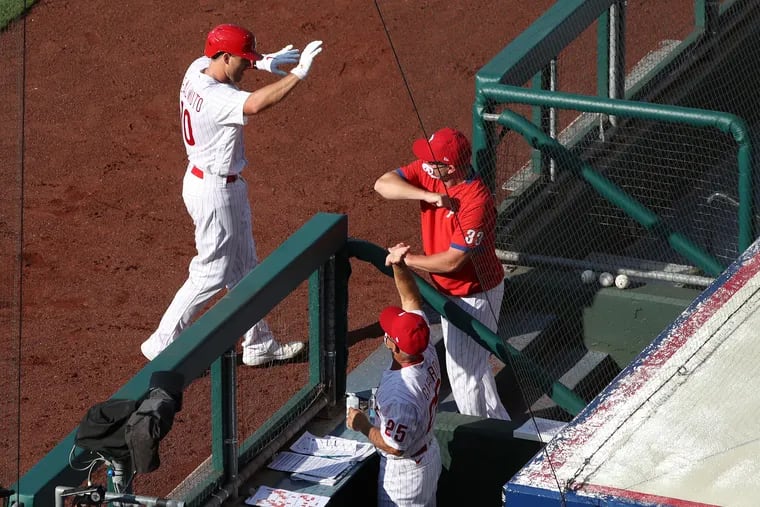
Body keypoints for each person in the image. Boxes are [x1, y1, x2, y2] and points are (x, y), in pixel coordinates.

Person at [140, 24, 323, 366]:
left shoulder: (197, 69)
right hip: (214, 191)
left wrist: (263, 61)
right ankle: (162, 342)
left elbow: (231, 68)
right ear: (225, 57)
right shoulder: (218, 98)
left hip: (210, 182)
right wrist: (297, 75)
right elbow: (255, 104)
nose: (246, 67)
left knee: (244, 268)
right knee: (211, 272)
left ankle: (257, 342)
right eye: (244, 60)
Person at [373, 127, 511, 420]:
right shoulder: (430, 175)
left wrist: (406, 260)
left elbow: (452, 262)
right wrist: (427, 195)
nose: (423, 164)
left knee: (464, 376)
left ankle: (481, 439)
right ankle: (500, 428)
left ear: (449, 166)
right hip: (450, 291)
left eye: (431, 160)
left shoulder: (476, 201)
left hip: (475, 295)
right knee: (475, 368)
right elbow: (382, 184)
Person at [347, 243, 442, 507]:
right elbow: (411, 300)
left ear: (395, 345)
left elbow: (394, 446)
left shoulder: (400, 392)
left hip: (406, 476)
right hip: (428, 453)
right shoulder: (425, 347)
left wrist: (362, 425)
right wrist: (398, 265)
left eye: (388, 333)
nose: (385, 335)